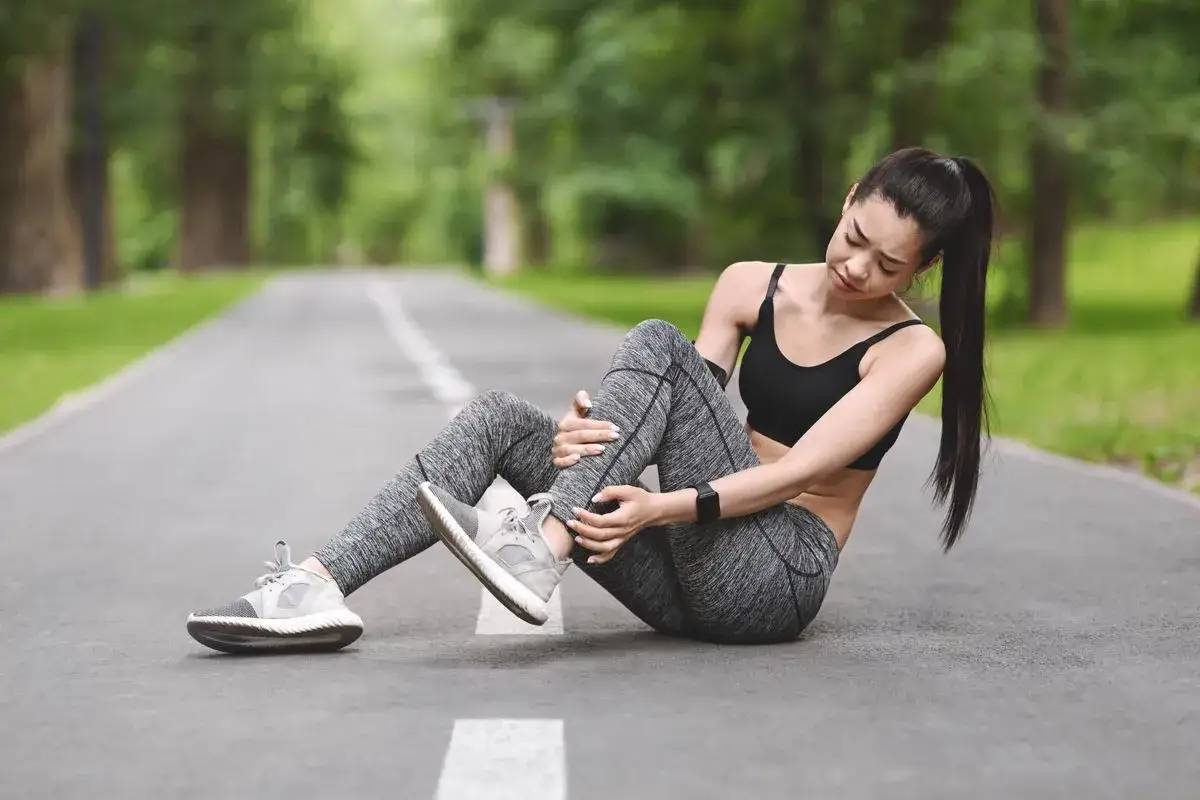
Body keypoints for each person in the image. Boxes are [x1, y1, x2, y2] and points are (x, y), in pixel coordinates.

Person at [186, 147, 996, 654]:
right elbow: (677, 411)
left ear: (922, 270)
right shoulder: (750, 285)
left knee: (656, 343)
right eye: (855, 238)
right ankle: (314, 588)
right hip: (687, 561)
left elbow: (799, 474)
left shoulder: (912, 349)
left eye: (888, 265)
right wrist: (586, 441)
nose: (857, 268)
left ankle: (540, 547)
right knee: (502, 420)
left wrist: (655, 509)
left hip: (773, 578)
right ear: (848, 199)